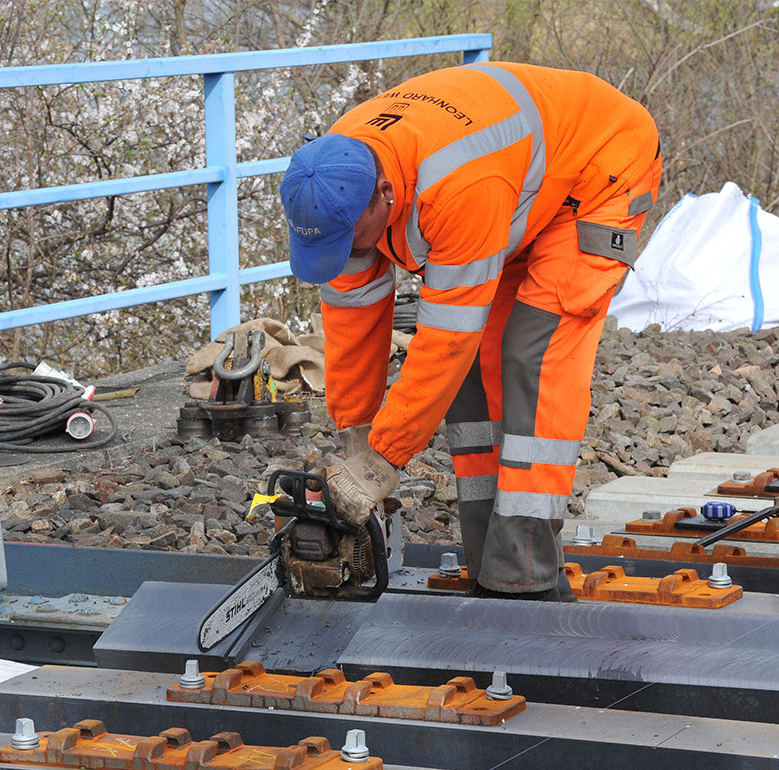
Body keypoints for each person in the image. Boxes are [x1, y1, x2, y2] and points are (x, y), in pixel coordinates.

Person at [279, 62, 661, 600]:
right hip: (517, 185)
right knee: (477, 369)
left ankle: (526, 577)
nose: (343, 258)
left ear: (385, 195)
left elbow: (444, 341)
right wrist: (356, 442)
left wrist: (383, 459)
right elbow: (353, 329)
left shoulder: (456, 188)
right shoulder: (336, 183)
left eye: (349, 243)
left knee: (532, 355)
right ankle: (490, 566)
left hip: (599, 172)